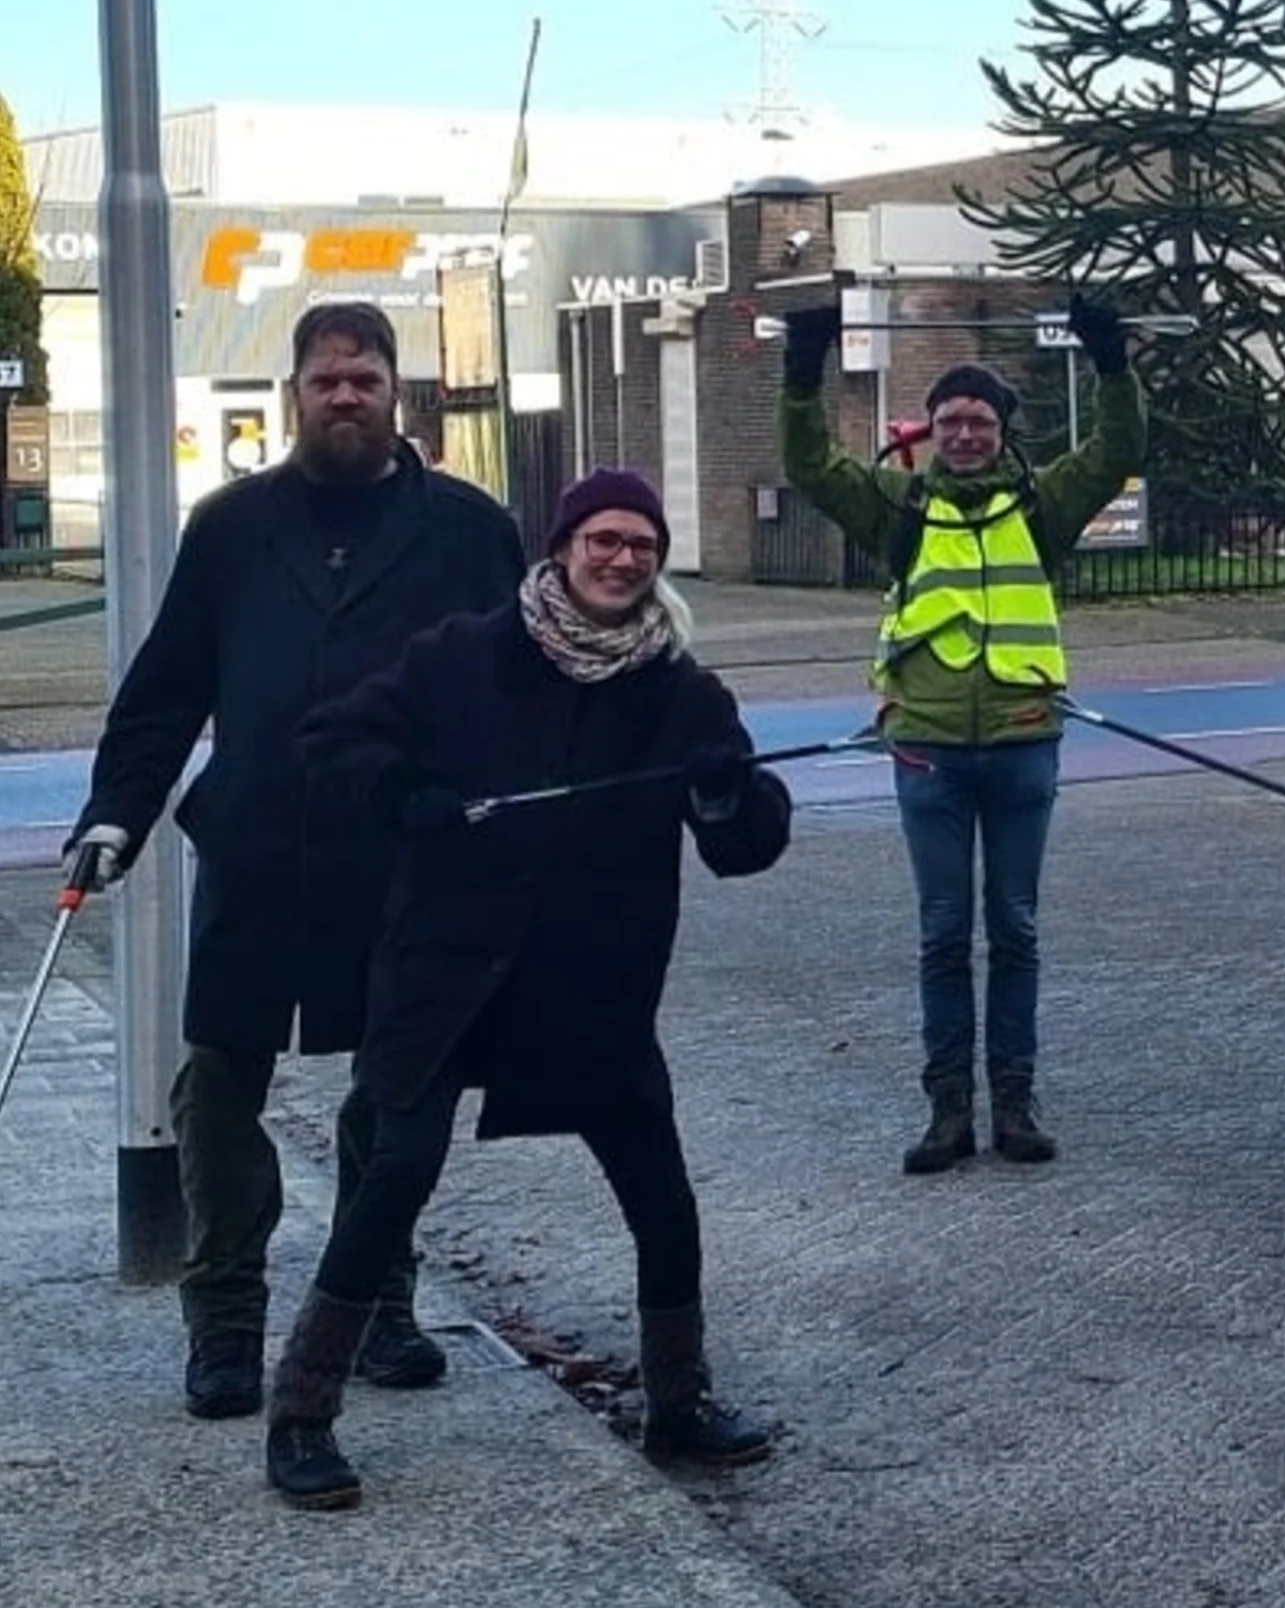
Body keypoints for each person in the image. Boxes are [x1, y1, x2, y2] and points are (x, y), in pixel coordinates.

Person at [267, 471, 791, 1509]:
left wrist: (733, 792)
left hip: (588, 993)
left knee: (662, 1201)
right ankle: (301, 1412)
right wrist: (401, 794)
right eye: (604, 538)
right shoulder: (462, 654)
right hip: (443, 978)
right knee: (394, 1176)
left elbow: (745, 845)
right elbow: (333, 741)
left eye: (643, 543)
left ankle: (678, 1403)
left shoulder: (683, 691)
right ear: (561, 548)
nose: (623, 558)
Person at [64, 301, 525, 1422]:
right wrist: (115, 810)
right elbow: (169, 687)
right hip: (260, 853)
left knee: (398, 1089)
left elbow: (523, 687)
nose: (345, 397)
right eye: (324, 381)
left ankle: (374, 1309)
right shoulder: (228, 530)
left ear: (394, 389)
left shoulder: (470, 531)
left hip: (407, 859)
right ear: (293, 396)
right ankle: (224, 1325)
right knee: (218, 1084)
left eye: (363, 378)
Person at [777, 295, 1150, 1175]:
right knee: (944, 931)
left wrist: (1112, 365)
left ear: (1003, 430)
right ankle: (948, 1111)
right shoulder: (898, 506)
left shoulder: (1042, 505)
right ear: (930, 429)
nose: (966, 433)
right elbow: (810, 463)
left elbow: (1117, 452)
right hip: (928, 751)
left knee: (1014, 928)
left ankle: (1014, 1105)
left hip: (1024, 743)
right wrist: (802, 370)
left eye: (981, 419)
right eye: (951, 420)